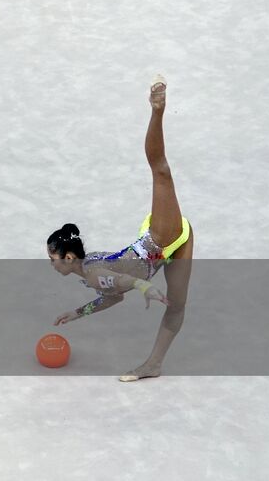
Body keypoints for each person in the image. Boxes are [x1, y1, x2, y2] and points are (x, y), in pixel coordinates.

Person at [47, 75, 192, 382]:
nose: (51, 263)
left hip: (161, 238)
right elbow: (113, 295)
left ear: (69, 258)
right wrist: (79, 312)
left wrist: (147, 288)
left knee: (161, 172)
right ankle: (153, 364)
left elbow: (125, 281)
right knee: (177, 306)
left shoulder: (94, 273)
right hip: (172, 249)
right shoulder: (90, 276)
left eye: (53, 258)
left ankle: (157, 110)